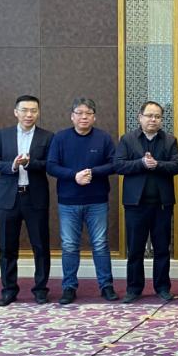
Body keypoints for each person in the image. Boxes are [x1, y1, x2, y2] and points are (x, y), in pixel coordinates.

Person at [47, 97, 118, 305]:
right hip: (68, 202)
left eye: (88, 113)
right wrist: (74, 176)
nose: (84, 117)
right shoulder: (60, 138)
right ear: (72, 117)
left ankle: (106, 285)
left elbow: (114, 164)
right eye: (79, 113)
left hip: (97, 201)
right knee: (69, 245)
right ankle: (69, 287)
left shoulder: (103, 138)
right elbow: (51, 166)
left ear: (94, 117)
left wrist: (93, 172)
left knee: (100, 244)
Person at [0, 95, 54, 306]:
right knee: (7, 247)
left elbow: (51, 164)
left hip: (35, 198)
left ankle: (40, 289)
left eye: (33, 110)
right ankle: (9, 290)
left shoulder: (47, 136)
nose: (29, 114)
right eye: (24, 110)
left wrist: (30, 163)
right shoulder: (3, 135)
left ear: (38, 113)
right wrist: (13, 166)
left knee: (40, 246)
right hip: (9, 198)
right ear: (16, 112)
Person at [114, 102, 178, 303]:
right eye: (149, 115)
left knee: (162, 248)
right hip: (136, 204)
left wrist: (157, 165)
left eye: (157, 116)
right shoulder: (127, 139)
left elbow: (177, 165)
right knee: (135, 249)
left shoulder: (169, 140)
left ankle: (162, 287)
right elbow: (119, 165)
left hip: (162, 204)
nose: (153, 120)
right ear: (140, 117)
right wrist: (141, 163)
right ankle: (134, 288)